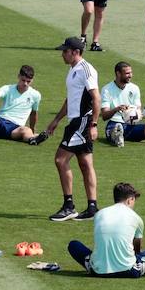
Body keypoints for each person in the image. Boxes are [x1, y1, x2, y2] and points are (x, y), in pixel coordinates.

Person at [45, 37, 101, 222]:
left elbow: (96, 98)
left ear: (75, 52)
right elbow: (71, 99)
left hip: (82, 122)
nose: (62, 54)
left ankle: (69, 206)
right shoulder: (72, 71)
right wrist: (56, 120)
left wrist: (93, 124)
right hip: (75, 121)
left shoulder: (86, 70)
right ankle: (92, 207)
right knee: (85, 164)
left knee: (60, 160)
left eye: (65, 51)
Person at [68, 182, 145, 278]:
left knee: (73, 245)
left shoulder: (99, 214)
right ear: (130, 200)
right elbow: (137, 248)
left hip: (97, 271)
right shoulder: (136, 218)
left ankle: (96, 263)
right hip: (129, 271)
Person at [0, 65, 44, 144]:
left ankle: (32, 139)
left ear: (32, 80)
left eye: (28, 81)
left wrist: (33, 131)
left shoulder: (36, 95)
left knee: (27, 130)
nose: (25, 84)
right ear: (18, 76)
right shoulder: (8, 88)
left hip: (14, 129)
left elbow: (34, 114)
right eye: (23, 80)